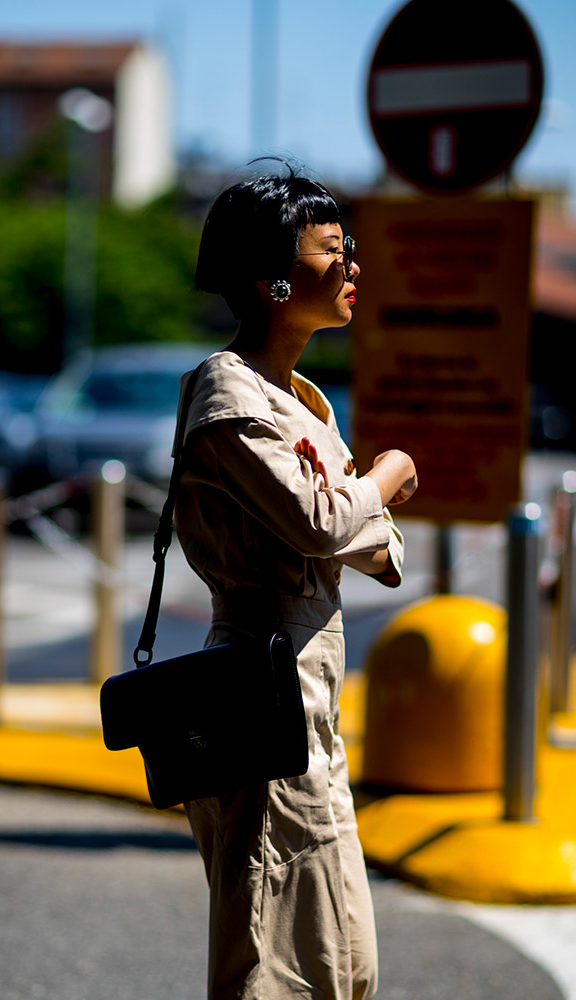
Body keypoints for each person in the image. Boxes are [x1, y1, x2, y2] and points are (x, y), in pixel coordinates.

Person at [174, 163, 417, 1000]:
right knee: (274, 962)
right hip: (256, 696)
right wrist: (386, 472)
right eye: (331, 252)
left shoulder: (301, 399)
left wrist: (356, 503)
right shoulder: (226, 390)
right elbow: (326, 524)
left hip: (309, 698)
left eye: (350, 251)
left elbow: (379, 553)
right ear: (271, 279)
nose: (353, 268)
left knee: (340, 959)